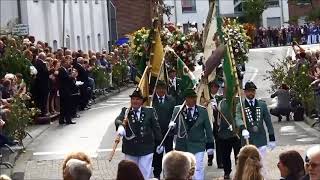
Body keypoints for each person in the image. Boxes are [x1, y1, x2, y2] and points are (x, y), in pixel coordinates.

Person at [115, 88, 162, 179]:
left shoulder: (149, 112)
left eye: (137, 99)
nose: (135, 101)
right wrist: (120, 125)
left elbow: (156, 128)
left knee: (144, 173)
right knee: (130, 174)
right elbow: (118, 120)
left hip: (146, 149)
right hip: (130, 149)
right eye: (133, 99)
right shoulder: (126, 111)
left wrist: (160, 143)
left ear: (142, 101)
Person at [170, 88, 214, 180]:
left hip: (198, 145)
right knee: (183, 169)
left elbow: (208, 129)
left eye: (192, 98)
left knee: (197, 168)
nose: (190, 100)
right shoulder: (178, 110)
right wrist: (171, 125)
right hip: (182, 145)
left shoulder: (202, 111)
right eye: (188, 98)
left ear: (195, 98)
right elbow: (173, 127)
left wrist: (210, 145)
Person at [235, 81, 276, 174]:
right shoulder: (241, 106)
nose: (251, 93)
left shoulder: (262, 104)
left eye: (252, 91)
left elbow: (268, 122)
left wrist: (272, 138)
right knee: (248, 166)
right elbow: (238, 118)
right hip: (247, 140)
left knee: (261, 165)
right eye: (249, 91)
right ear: (245, 92)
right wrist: (243, 128)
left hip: (261, 139)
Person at [151, 81, 176, 179]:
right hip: (156, 134)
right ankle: (157, 175)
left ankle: (168, 175)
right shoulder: (151, 100)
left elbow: (174, 114)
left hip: (168, 133)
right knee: (157, 156)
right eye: (159, 88)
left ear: (166, 89)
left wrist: (173, 124)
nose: (161, 90)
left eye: (163, 88)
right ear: (156, 88)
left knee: (169, 155)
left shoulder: (171, 100)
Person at [217, 86, 241, 179]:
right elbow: (217, 119)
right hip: (224, 134)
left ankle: (239, 172)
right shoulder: (220, 103)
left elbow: (240, 116)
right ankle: (227, 172)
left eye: (227, 90)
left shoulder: (238, 102)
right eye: (224, 90)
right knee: (225, 155)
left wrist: (236, 126)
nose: (225, 92)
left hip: (237, 134)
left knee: (239, 156)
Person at [207, 80, 224, 168]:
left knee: (219, 141)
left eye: (217, 87)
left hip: (217, 123)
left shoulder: (219, 98)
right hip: (208, 122)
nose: (215, 89)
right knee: (209, 140)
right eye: (213, 87)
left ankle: (220, 162)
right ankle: (210, 158)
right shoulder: (206, 97)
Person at [58, 59, 77, 124]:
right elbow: (66, 79)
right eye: (67, 62)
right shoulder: (61, 70)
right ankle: (68, 120)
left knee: (64, 106)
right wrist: (72, 76)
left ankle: (62, 120)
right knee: (66, 105)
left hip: (66, 89)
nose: (68, 64)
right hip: (64, 90)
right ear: (63, 63)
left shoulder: (64, 70)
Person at [34, 52, 50, 116]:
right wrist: (50, 71)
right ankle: (42, 113)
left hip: (42, 84)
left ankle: (43, 112)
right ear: (42, 57)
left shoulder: (38, 62)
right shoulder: (40, 63)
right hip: (42, 84)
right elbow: (44, 73)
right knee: (43, 99)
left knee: (42, 99)